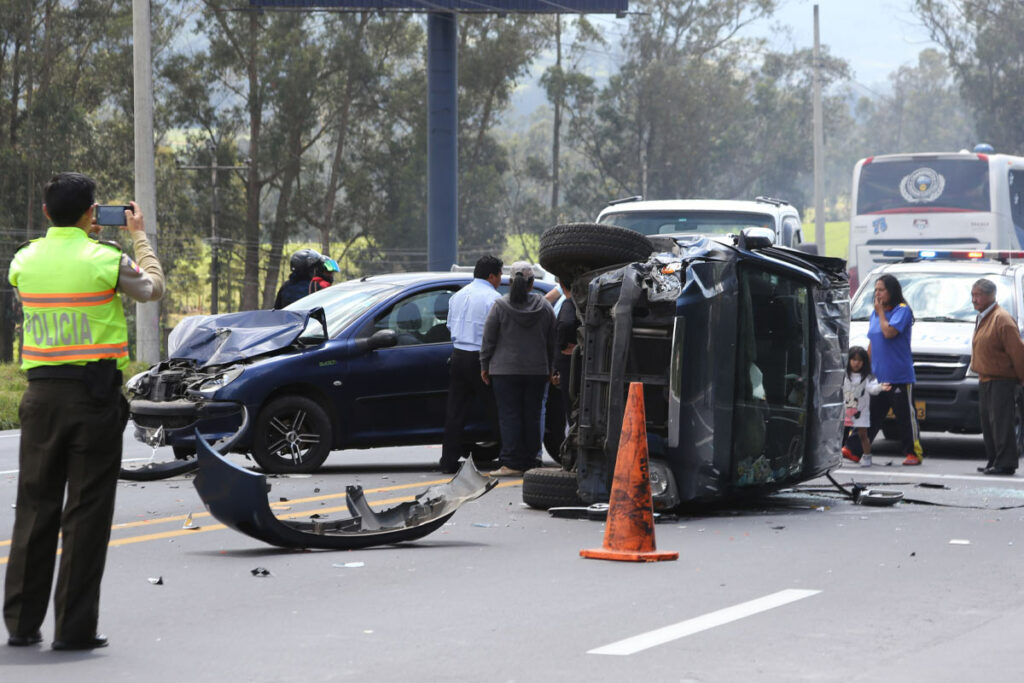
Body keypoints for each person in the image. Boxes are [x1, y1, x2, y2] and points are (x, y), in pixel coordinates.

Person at [4, 172, 165, 650]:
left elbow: (30, 301)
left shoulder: (24, 260)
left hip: (38, 398)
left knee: (34, 508)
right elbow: (152, 289)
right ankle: (73, 630)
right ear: (92, 214)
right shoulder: (106, 259)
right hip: (92, 398)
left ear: (46, 213)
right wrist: (139, 237)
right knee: (86, 512)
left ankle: (21, 625)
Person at [479, 261, 557, 476]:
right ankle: (532, 461)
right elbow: (553, 341)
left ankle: (511, 463)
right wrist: (551, 368)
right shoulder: (545, 307)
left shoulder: (500, 306)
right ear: (531, 283)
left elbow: (489, 340)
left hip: (504, 371)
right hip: (537, 371)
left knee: (510, 416)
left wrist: (484, 365)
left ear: (510, 282)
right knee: (532, 416)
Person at [845, 274, 924, 466]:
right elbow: (874, 339)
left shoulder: (901, 311)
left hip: (898, 375)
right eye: (876, 290)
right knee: (869, 413)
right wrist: (866, 368)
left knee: (905, 416)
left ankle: (913, 452)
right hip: (878, 376)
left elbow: (889, 332)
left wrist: (880, 312)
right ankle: (854, 449)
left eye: (881, 290)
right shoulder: (876, 313)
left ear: (891, 291)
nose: (878, 294)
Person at [438, 255, 503, 474]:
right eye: (500, 275)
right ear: (492, 275)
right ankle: (506, 458)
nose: (500, 280)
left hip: (457, 356)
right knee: (496, 410)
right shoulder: (493, 298)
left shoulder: (457, 296)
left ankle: (448, 462)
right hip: (480, 358)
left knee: (455, 412)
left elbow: (449, 326)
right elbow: (496, 333)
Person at [969, 278, 1024, 475]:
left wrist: (1021, 378)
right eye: (973, 295)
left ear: (991, 296)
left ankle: (1006, 463)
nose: (974, 299)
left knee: (1001, 422)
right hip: (985, 378)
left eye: (978, 295)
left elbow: (1017, 352)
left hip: (1001, 379)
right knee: (988, 422)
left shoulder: (1002, 319)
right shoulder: (983, 316)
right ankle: (994, 460)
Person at [841, 346, 882, 467]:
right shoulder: (844, 376)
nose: (856, 363)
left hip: (861, 410)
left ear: (864, 362)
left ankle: (867, 456)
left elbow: (873, 389)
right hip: (846, 409)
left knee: (863, 435)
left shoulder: (867, 377)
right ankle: (837, 456)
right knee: (842, 434)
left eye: (859, 360)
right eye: (853, 359)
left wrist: (880, 387)